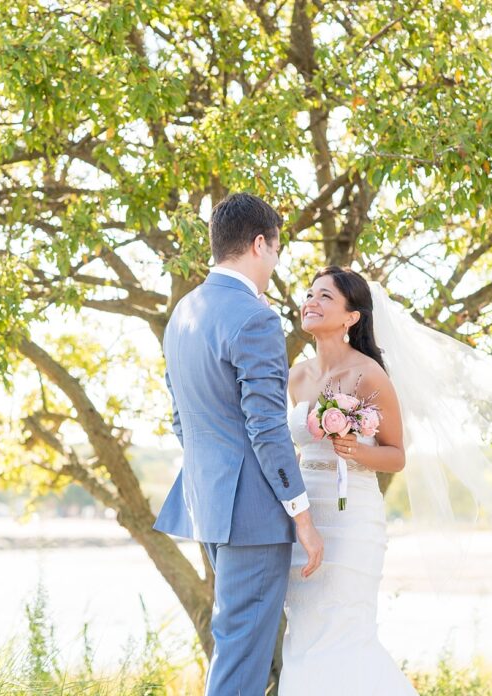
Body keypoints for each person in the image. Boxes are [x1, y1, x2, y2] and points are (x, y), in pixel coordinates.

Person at [154, 193, 325, 696]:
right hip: (252, 514)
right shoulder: (256, 318)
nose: (275, 264)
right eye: (276, 251)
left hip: (207, 503)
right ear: (258, 244)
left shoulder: (184, 312)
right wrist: (303, 516)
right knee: (242, 661)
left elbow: (180, 420)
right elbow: (267, 427)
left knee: (233, 647)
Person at [279, 265, 419, 695]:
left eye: (325, 297)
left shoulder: (370, 375)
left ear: (351, 317)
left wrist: (357, 450)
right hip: (306, 515)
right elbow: (294, 448)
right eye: (309, 294)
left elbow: (396, 456)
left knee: (345, 630)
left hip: (352, 516)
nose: (311, 302)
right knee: (304, 631)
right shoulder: (297, 375)